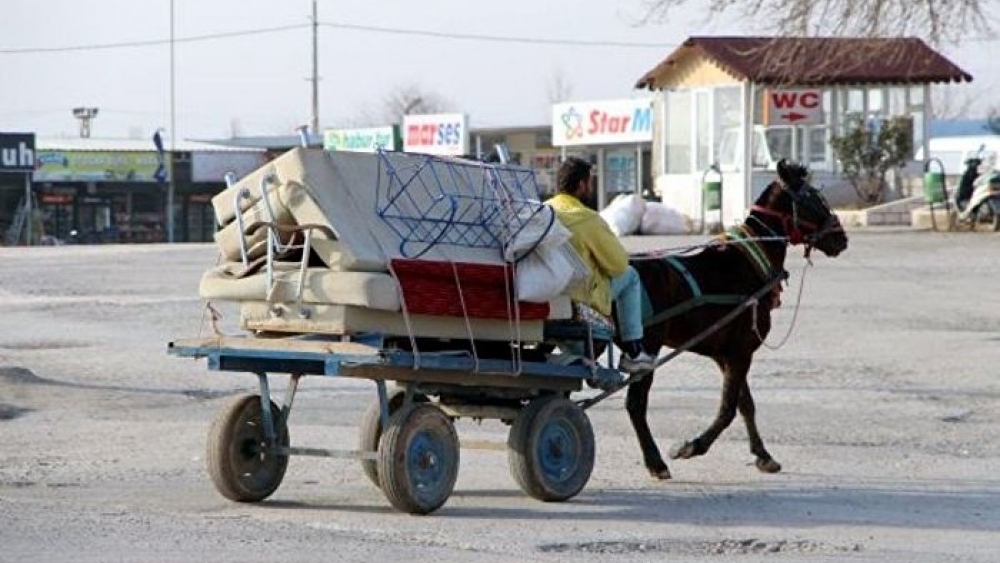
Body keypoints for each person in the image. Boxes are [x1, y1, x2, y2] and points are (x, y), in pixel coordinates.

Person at [546, 156, 655, 374]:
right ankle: (634, 350)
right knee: (631, 275)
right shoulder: (588, 219)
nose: (591, 188)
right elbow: (618, 265)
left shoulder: (542, 211)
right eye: (590, 183)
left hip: (545, 293)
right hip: (579, 301)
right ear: (582, 185)